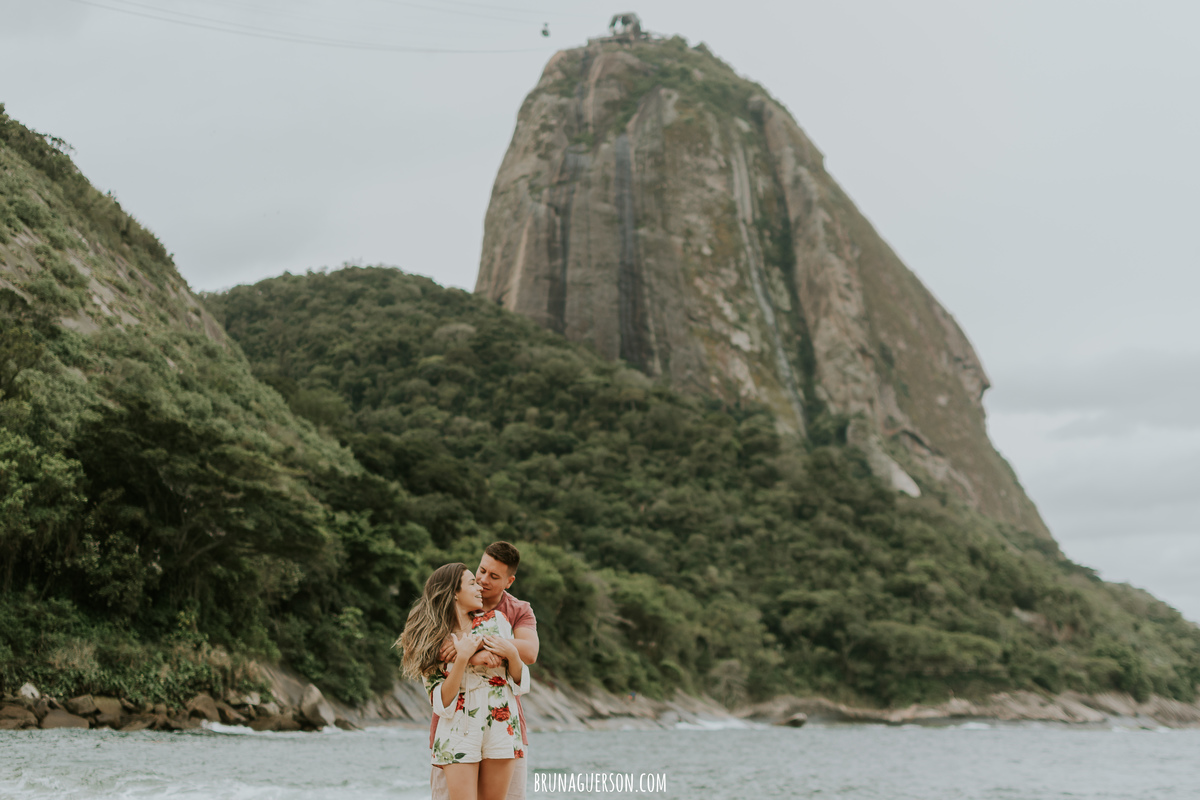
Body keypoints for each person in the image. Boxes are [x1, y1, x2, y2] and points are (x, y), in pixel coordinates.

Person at [399, 562, 530, 800]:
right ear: (454, 593)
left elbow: (520, 681)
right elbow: (441, 703)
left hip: (501, 724)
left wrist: (511, 654)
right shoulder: (432, 640)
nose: (479, 586)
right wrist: (463, 658)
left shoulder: (497, 621)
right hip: (457, 730)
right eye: (472, 583)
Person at [431, 542, 539, 800]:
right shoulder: (446, 608)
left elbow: (529, 653)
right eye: (481, 571)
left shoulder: (516, 610)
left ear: (509, 581)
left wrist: (474, 645)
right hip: (454, 725)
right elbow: (429, 648)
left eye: (493, 576)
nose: (482, 580)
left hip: (502, 727)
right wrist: (470, 653)